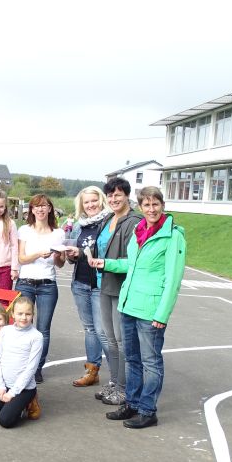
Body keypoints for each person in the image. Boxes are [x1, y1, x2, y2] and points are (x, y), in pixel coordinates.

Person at [91, 186, 186, 429]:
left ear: (162, 205)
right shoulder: (138, 231)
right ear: (141, 207)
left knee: (150, 361)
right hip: (129, 305)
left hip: (151, 310)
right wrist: (106, 263)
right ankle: (132, 404)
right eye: (147, 205)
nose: (151, 209)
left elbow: (173, 280)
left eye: (156, 204)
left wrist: (162, 314)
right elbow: (131, 266)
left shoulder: (173, 236)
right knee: (132, 359)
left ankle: (147, 410)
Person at [89, 177, 143, 405]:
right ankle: (114, 382)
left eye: (118, 194)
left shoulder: (135, 221)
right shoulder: (109, 218)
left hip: (122, 287)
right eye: (110, 195)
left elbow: (134, 260)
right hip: (104, 284)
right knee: (109, 339)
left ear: (127, 195)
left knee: (121, 341)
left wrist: (106, 264)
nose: (113, 199)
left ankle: (124, 388)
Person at [15, 194, 66, 383]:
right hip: (25, 282)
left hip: (47, 284)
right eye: (36, 206)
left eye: (44, 206)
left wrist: (60, 256)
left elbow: (59, 264)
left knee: (43, 329)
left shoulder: (58, 233)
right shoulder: (24, 230)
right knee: (21, 324)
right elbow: (21, 258)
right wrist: (38, 253)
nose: (40, 209)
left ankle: (37, 368)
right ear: (32, 210)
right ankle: (21, 365)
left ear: (50, 209)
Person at [64, 186, 111, 389]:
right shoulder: (78, 226)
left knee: (103, 331)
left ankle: (119, 376)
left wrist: (82, 253)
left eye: (94, 200)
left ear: (101, 200)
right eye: (86, 202)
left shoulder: (109, 222)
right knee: (90, 329)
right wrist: (71, 255)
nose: (90, 205)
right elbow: (73, 259)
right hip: (80, 283)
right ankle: (92, 370)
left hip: (100, 284)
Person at [0, 296, 43, 428]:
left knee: (5, 421)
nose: (24, 317)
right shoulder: (5, 331)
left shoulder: (36, 336)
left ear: (32, 315)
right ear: (13, 314)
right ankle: (11, 404)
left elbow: (31, 369)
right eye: (20, 313)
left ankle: (29, 402)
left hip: (24, 388)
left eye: (28, 314)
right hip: (5, 384)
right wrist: (1, 386)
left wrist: (13, 393)